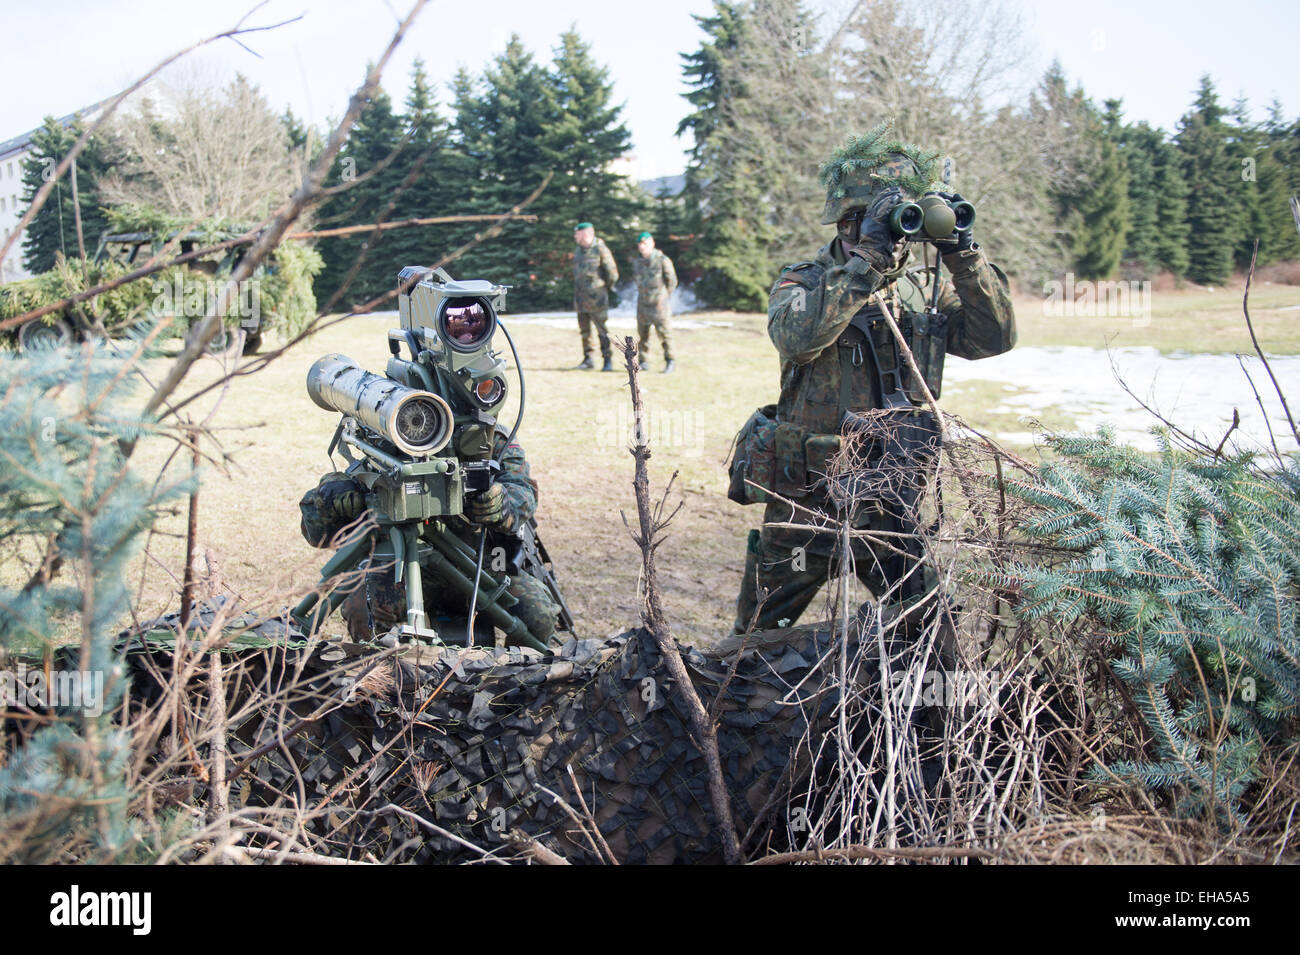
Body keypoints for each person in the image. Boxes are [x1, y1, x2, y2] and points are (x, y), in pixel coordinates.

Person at [730, 125, 1016, 635]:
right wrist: (867, 266)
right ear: (845, 223)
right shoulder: (805, 281)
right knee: (757, 639)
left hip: (889, 500)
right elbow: (797, 338)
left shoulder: (918, 290)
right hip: (807, 500)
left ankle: (915, 711)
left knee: (927, 630)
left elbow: (993, 339)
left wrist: (963, 257)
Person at [299, 434, 564, 647]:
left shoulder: (489, 439)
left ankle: (512, 691)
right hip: (403, 569)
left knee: (536, 614)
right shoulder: (393, 432)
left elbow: (523, 492)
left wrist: (502, 502)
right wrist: (331, 495)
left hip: (479, 568)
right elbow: (318, 533)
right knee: (364, 609)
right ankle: (386, 688)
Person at [572, 221, 620, 372]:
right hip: (581, 298)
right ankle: (588, 359)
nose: (575, 236)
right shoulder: (578, 250)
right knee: (584, 331)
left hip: (597, 298)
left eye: (577, 233)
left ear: (585, 233)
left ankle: (607, 360)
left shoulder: (600, 249)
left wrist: (602, 287)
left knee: (602, 330)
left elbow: (612, 273)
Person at [632, 231, 678, 373]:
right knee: (643, 336)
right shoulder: (637, 262)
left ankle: (670, 361)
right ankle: (643, 362)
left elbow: (672, 281)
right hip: (643, 304)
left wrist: (663, 296)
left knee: (665, 335)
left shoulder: (662, 260)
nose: (642, 247)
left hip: (659, 305)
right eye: (640, 244)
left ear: (652, 243)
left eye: (645, 243)